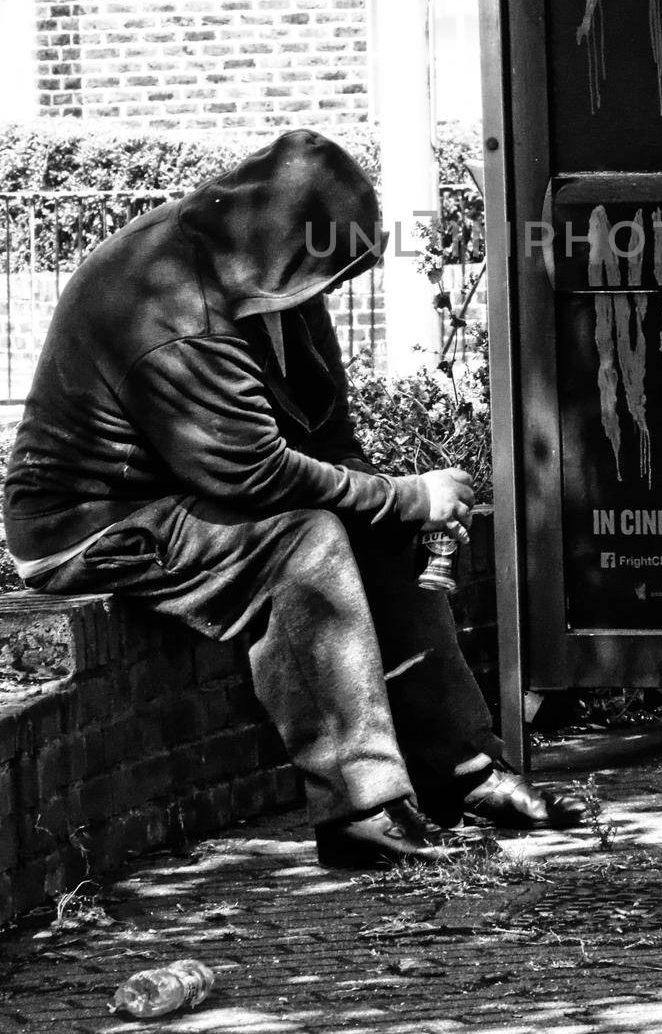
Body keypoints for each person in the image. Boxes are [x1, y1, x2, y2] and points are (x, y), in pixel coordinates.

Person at [2, 131, 583, 869]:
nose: (335, 290)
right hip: (97, 523)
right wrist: (404, 494)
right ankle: (360, 813)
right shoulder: (167, 301)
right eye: (332, 272)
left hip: (193, 497)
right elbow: (251, 475)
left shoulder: (272, 277)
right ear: (287, 244)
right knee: (304, 543)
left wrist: (401, 510)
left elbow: (326, 438)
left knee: (373, 526)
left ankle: (463, 773)